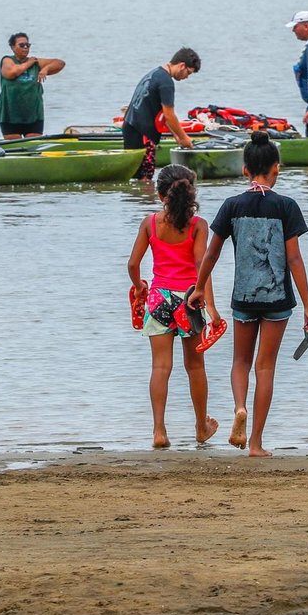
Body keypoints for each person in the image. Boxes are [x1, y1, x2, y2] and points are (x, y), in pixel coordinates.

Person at [188, 132, 308, 457]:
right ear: (276, 168)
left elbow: (211, 254)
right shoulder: (286, 206)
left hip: (243, 298)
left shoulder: (232, 206)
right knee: (265, 367)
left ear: (245, 170)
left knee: (240, 362)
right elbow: (294, 259)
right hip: (278, 300)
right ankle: (257, 443)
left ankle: (239, 408)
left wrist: (199, 288)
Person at [127, 164, 223, 450]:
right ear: (191, 192)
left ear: (160, 195)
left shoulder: (150, 223)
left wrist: (140, 286)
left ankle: (159, 430)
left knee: (160, 366)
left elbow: (133, 264)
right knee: (195, 367)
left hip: (158, 298)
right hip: (189, 300)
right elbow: (201, 267)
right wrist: (213, 310)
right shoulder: (198, 226)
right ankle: (200, 427)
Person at [121, 48, 201, 181]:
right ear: (182, 65)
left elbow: (163, 116)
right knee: (145, 179)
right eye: (188, 72)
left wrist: (177, 136)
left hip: (130, 127)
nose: (186, 77)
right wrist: (185, 137)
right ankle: (146, 200)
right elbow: (169, 114)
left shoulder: (155, 74)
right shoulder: (166, 83)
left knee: (136, 176)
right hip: (142, 133)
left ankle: (135, 200)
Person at [0, 32, 66, 139]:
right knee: (15, 149)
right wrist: (29, 63)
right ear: (12, 47)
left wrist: (45, 69)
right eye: (21, 45)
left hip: (33, 114)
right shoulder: (7, 60)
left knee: (33, 146)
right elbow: (11, 73)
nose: (25, 48)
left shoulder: (36, 62)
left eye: (27, 45)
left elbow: (60, 63)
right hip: (10, 114)